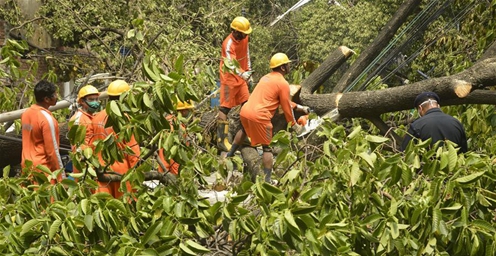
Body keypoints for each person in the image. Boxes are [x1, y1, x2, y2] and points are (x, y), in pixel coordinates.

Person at [226, 53, 310, 182]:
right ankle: (267, 180)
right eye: (287, 64)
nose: (289, 66)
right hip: (260, 116)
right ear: (283, 68)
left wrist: (300, 108)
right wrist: (294, 125)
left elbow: (282, 101)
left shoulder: (266, 78)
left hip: (246, 111)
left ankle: (229, 155)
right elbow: (286, 108)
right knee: (267, 148)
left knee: (243, 130)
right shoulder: (282, 83)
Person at [92, 80, 140, 198]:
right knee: (125, 211)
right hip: (122, 174)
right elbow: (133, 151)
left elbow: (91, 145)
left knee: (105, 211)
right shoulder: (124, 119)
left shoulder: (96, 118)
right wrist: (137, 174)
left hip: (101, 172)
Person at [217, 16, 253, 152]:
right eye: (243, 33)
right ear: (236, 31)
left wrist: (248, 71)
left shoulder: (245, 39)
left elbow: (246, 54)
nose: (245, 35)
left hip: (242, 77)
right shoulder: (228, 44)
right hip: (229, 78)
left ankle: (244, 135)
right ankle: (221, 140)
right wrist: (242, 74)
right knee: (224, 108)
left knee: (247, 105)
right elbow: (230, 64)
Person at [21, 80, 65, 184]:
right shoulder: (47, 119)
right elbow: (52, 151)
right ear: (46, 99)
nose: (57, 96)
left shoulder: (26, 114)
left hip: (27, 167)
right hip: (44, 170)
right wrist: (60, 176)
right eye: (54, 94)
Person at [401, 91, 468, 153]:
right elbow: (464, 151)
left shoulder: (416, 126)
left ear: (420, 108)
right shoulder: (456, 122)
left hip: (426, 165)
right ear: (438, 106)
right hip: (454, 164)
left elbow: (405, 152)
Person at [68, 85, 100, 175]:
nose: (95, 102)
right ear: (82, 101)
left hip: (94, 164)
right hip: (84, 166)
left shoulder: (93, 117)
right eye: (91, 99)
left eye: (97, 99)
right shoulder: (78, 119)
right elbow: (77, 146)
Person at [157, 100, 194, 175]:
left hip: (163, 167)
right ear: (183, 111)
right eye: (188, 110)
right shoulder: (177, 126)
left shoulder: (167, 120)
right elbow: (176, 151)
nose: (189, 112)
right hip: (171, 168)